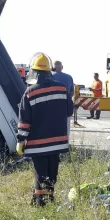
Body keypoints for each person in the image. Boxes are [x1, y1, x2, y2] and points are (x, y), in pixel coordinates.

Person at [16, 53, 73, 207]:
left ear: (33, 72)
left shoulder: (29, 93)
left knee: (40, 173)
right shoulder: (62, 89)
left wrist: (20, 141)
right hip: (58, 143)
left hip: (37, 144)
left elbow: (24, 121)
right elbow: (69, 112)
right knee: (52, 172)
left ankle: (41, 203)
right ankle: (46, 198)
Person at [52, 60, 74, 136]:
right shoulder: (69, 77)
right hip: (66, 104)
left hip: (53, 103)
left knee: (54, 126)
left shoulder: (51, 77)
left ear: (53, 68)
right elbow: (72, 93)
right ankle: (66, 143)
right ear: (62, 67)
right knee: (66, 126)